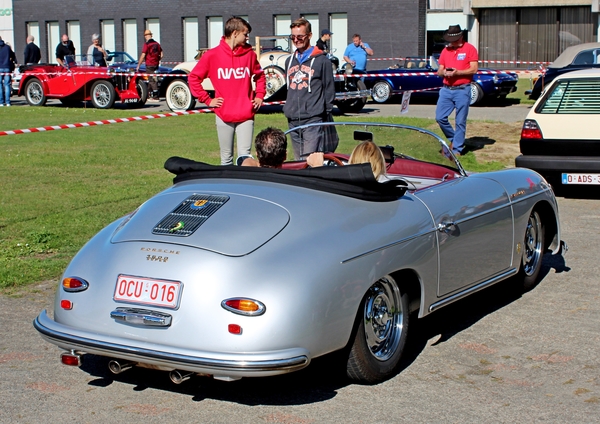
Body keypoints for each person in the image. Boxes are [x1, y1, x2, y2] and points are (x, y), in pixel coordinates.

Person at [189, 16, 266, 166]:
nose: (247, 38)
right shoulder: (212, 55)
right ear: (235, 33)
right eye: (245, 34)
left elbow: (260, 75)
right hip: (223, 115)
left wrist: (260, 95)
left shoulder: (249, 55)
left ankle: (244, 189)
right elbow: (193, 78)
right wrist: (207, 100)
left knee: (245, 159)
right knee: (226, 159)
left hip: (246, 114)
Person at [283, 18, 335, 160]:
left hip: (313, 119)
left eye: (300, 36)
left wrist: (326, 117)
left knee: (308, 160)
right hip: (293, 119)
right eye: (293, 37)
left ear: (310, 35)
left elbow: (329, 90)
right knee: (297, 162)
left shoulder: (322, 60)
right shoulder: (289, 61)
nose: (296, 40)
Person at [435, 24, 478, 156]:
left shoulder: (470, 49)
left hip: (462, 89)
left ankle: (457, 149)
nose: (452, 42)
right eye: (450, 40)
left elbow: (474, 69)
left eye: (455, 40)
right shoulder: (445, 51)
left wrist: (457, 73)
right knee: (440, 117)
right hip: (446, 89)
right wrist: (444, 73)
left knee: (460, 121)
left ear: (461, 37)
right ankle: (454, 139)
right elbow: (439, 70)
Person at [307, 141, 388, 181]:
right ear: (379, 163)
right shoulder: (390, 187)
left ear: (353, 160)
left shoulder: (346, 185)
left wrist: (318, 168)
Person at [136, 29, 163, 101]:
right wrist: (157, 59)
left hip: (149, 64)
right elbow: (162, 54)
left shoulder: (146, 44)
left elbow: (143, 55)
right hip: (156, 64)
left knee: (151, 80)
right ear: (151, 35)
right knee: (153, 79)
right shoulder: (157, 44)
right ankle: (148, 94)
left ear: (145, 36)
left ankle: (155, 96)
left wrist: (139, 64)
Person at [0, 36, 17, 107]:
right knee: (7, 85)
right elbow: (13, 56)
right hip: (7, 67)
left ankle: (1, 102)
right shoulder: (7, 47)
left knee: (0, 85)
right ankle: (8, 102)